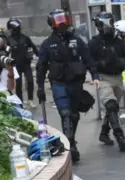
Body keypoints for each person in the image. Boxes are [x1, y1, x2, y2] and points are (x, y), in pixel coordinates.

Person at [36, 9, 99, 163]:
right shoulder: (47, 44)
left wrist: (95, 76)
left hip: (76, 83)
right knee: (65, 113)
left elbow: (88, 58)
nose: (62, 23)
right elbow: (41, 66)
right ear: (52, 24)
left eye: (64, 19)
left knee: (74, 115)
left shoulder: (77, 40)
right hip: (59, 83)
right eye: (58, 20)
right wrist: (39, 87)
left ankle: (71, 140)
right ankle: (69, 145)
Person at [89, 11, 125, 151]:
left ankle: (104, 133)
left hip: (118, 78)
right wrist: (95, 75)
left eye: (109, 23)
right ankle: (120, 136)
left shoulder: (118, 41)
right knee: (110, 105)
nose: (107, 27)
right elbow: (89, 61)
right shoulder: (94, 43)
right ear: (98, 25)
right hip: (103, 78)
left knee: (113, 109)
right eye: (104, 24)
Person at [6, 18, 39, 108]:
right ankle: (20, 101)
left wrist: (40, 56)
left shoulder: (25, 38)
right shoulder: (9, 40)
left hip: (26, 64)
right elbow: (5, 53)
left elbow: (34, 48)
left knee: (30, 81)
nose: (20, 28)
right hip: (16, 65)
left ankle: (30, 100)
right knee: (19, 83)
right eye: (17, 27)